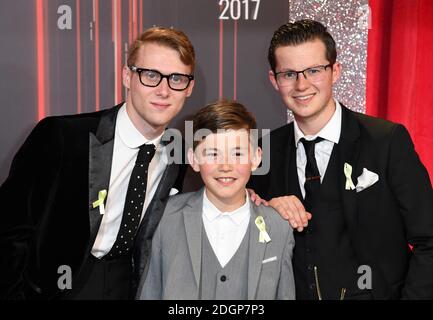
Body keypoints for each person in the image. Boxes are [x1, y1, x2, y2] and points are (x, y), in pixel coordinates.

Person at [0, 27, 195, 299]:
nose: (163, 90)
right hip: (56, 287)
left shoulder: (178, 155)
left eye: (176, 78)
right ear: (127, 76)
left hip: (126, 287)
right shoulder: (63, 136)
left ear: (189, 87)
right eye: (150, 75)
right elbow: (9, 230)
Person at [248, 19, 433, 299]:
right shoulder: (264, 150)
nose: (302, 84)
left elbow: (429, 240)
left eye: (313, 70)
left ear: (335, 71)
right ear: (274, 80)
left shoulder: (386, 141)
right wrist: (263, 209)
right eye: (289, 74)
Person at [137, 100, 295, 300]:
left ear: (256, 158)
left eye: (237, 153)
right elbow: (150, 292)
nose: (226, 166)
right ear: (194, 159)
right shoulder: (165, 217)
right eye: (213, 154)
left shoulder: (278, 226)